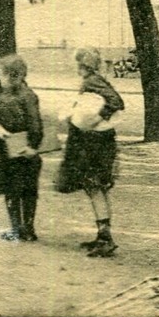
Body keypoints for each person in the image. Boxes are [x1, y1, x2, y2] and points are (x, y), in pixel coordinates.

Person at [56, 47, 126, 257]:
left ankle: (105, 239)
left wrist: (96, 118)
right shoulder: (95, 80)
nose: (77, 69)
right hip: (97, 142)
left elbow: (116, 102)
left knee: (94, 187)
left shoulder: (91, 81)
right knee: (95, 187)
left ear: (84, 66)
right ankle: (102, 234)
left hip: (94, 144)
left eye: (79, 65)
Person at [0, 53, 44, 242]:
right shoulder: (2, 95)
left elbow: (35, 124)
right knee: (11, 189)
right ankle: (16, 228)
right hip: (5, 151)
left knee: (28, 190)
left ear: (13, 75)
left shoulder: (28, 96)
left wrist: (33, 146)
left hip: (24, 151)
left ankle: (28, 229)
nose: (0, 79)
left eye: (2, 75)